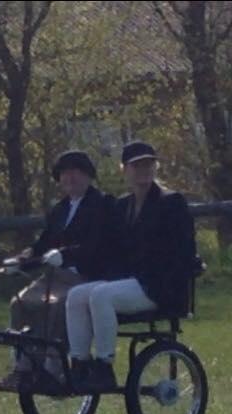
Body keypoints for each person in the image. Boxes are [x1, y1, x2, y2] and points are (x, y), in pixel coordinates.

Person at [64, 140, 198, 392]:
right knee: (76, 296)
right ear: (124, 170)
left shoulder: (171, 203)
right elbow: (110, 249)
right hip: (129, 282)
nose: (143, 171)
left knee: (100, 296)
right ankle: (80, 364)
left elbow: (182, 251)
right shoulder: (122, 206)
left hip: (160, 287)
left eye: (148, 164)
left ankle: (104, 365)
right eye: (137, 166)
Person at [0, 150, 116, 392]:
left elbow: (99, 244)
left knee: (57, 306)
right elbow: (42, 246)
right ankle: (23, 367)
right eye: (65, 174)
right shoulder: (59, 210)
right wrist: (21, 260)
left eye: (76, 173)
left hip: (88, 277)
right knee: (20, 303)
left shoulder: (103, 205)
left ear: (88, 176)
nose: (70, 178)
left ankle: (53, 368)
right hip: (55, 277)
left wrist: (66, 255)